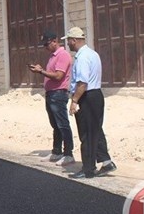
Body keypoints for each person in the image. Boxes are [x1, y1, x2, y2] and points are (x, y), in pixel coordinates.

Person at [63, 27, 116, 179]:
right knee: (96, 130)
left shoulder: (83, 57)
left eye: (69, 41)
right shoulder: (92, 54)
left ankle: (88, 169)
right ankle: (106, 162)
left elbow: (82, 83)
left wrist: (74, 101)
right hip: (95, 95)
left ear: (74, 40)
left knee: (86, 134)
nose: (68, 44)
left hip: (86, 96)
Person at [29, 31, 74, 166]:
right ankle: (57, 151)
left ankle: (68, 154)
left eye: (47, 44)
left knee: (62, 124)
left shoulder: (63, 55)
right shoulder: (52, 56)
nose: (45, 47)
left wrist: (41, 71)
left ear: (55, 41)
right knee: (55, 125)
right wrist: (41, 70)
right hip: (51, 94)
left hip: (58, 94)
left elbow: (59, 76)